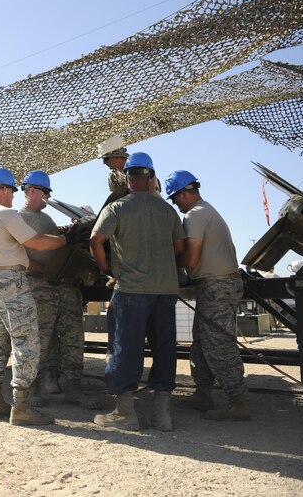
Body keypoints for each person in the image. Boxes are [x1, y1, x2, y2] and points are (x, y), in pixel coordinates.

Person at [0, 167, 85, 426]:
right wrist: (67, 238)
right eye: (12, 191)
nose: (14, 196)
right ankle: (22, 406)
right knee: (26, 341)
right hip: (11, 279)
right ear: (2, 190)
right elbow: (38, 243)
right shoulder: (6, 213)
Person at [89, 153, 185, 431]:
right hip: (165, 291)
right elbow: (179, 247)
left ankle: (125, 413)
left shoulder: (117, 208)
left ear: (128, 180)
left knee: (124, 348)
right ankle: (161, 415)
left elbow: (95, 239)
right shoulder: (168, 211)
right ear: (152, 179)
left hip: (130, 289)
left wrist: (108, 270)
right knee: (165, 348)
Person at [165, 170, 249, 421]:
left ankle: (238, 402)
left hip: (217, 285)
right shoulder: (206, 210)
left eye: (175, 199)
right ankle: (203, 393)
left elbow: (191, 259)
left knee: (219, 344)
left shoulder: (196, 215)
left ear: (183, 193)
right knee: (202, 342)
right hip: (216, 284)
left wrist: (167, 261)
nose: (176, 205)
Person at [17, 170, 102, 410]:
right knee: (40, 338)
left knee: (73, 335)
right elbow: (22, 254)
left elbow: (54, 242)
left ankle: (73, 386)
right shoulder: (19, 218)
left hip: (65, 284)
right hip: (39, 284)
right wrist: (44, 272)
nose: (47, 197)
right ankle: (33, 387)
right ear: (31, 190)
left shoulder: (45, 219)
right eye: (45, 192)